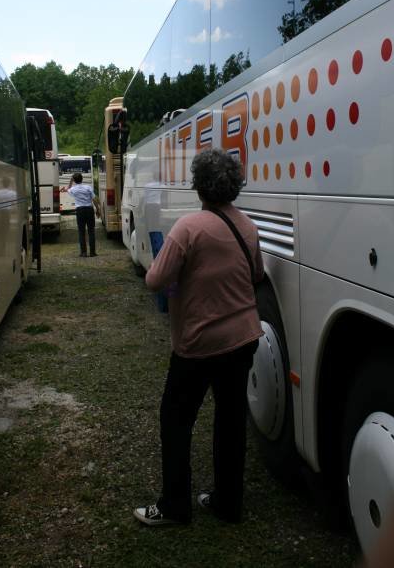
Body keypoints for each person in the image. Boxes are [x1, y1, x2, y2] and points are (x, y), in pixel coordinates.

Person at [133, 148, 264, 526]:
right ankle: (228, 502)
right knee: (230, 421)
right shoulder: (248, 227)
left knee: (175, 419)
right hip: (242, 339)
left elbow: (154, 279)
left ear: (198, 186)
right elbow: (255, 275)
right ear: (235, 185)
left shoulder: (188, 228)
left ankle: (175, 506)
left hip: (199, 343)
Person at [66, 172, 101, 257]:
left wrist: (71, 181)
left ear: (74, 180)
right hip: (89, 209)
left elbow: (68, 189)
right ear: (82, 179)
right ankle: (92, 252)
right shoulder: (88, 187)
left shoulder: (73, 189)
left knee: (81, 232)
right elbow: (94, 199)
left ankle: (83, 252)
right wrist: (98, 209)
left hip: (80, 210)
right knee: (91, 231)